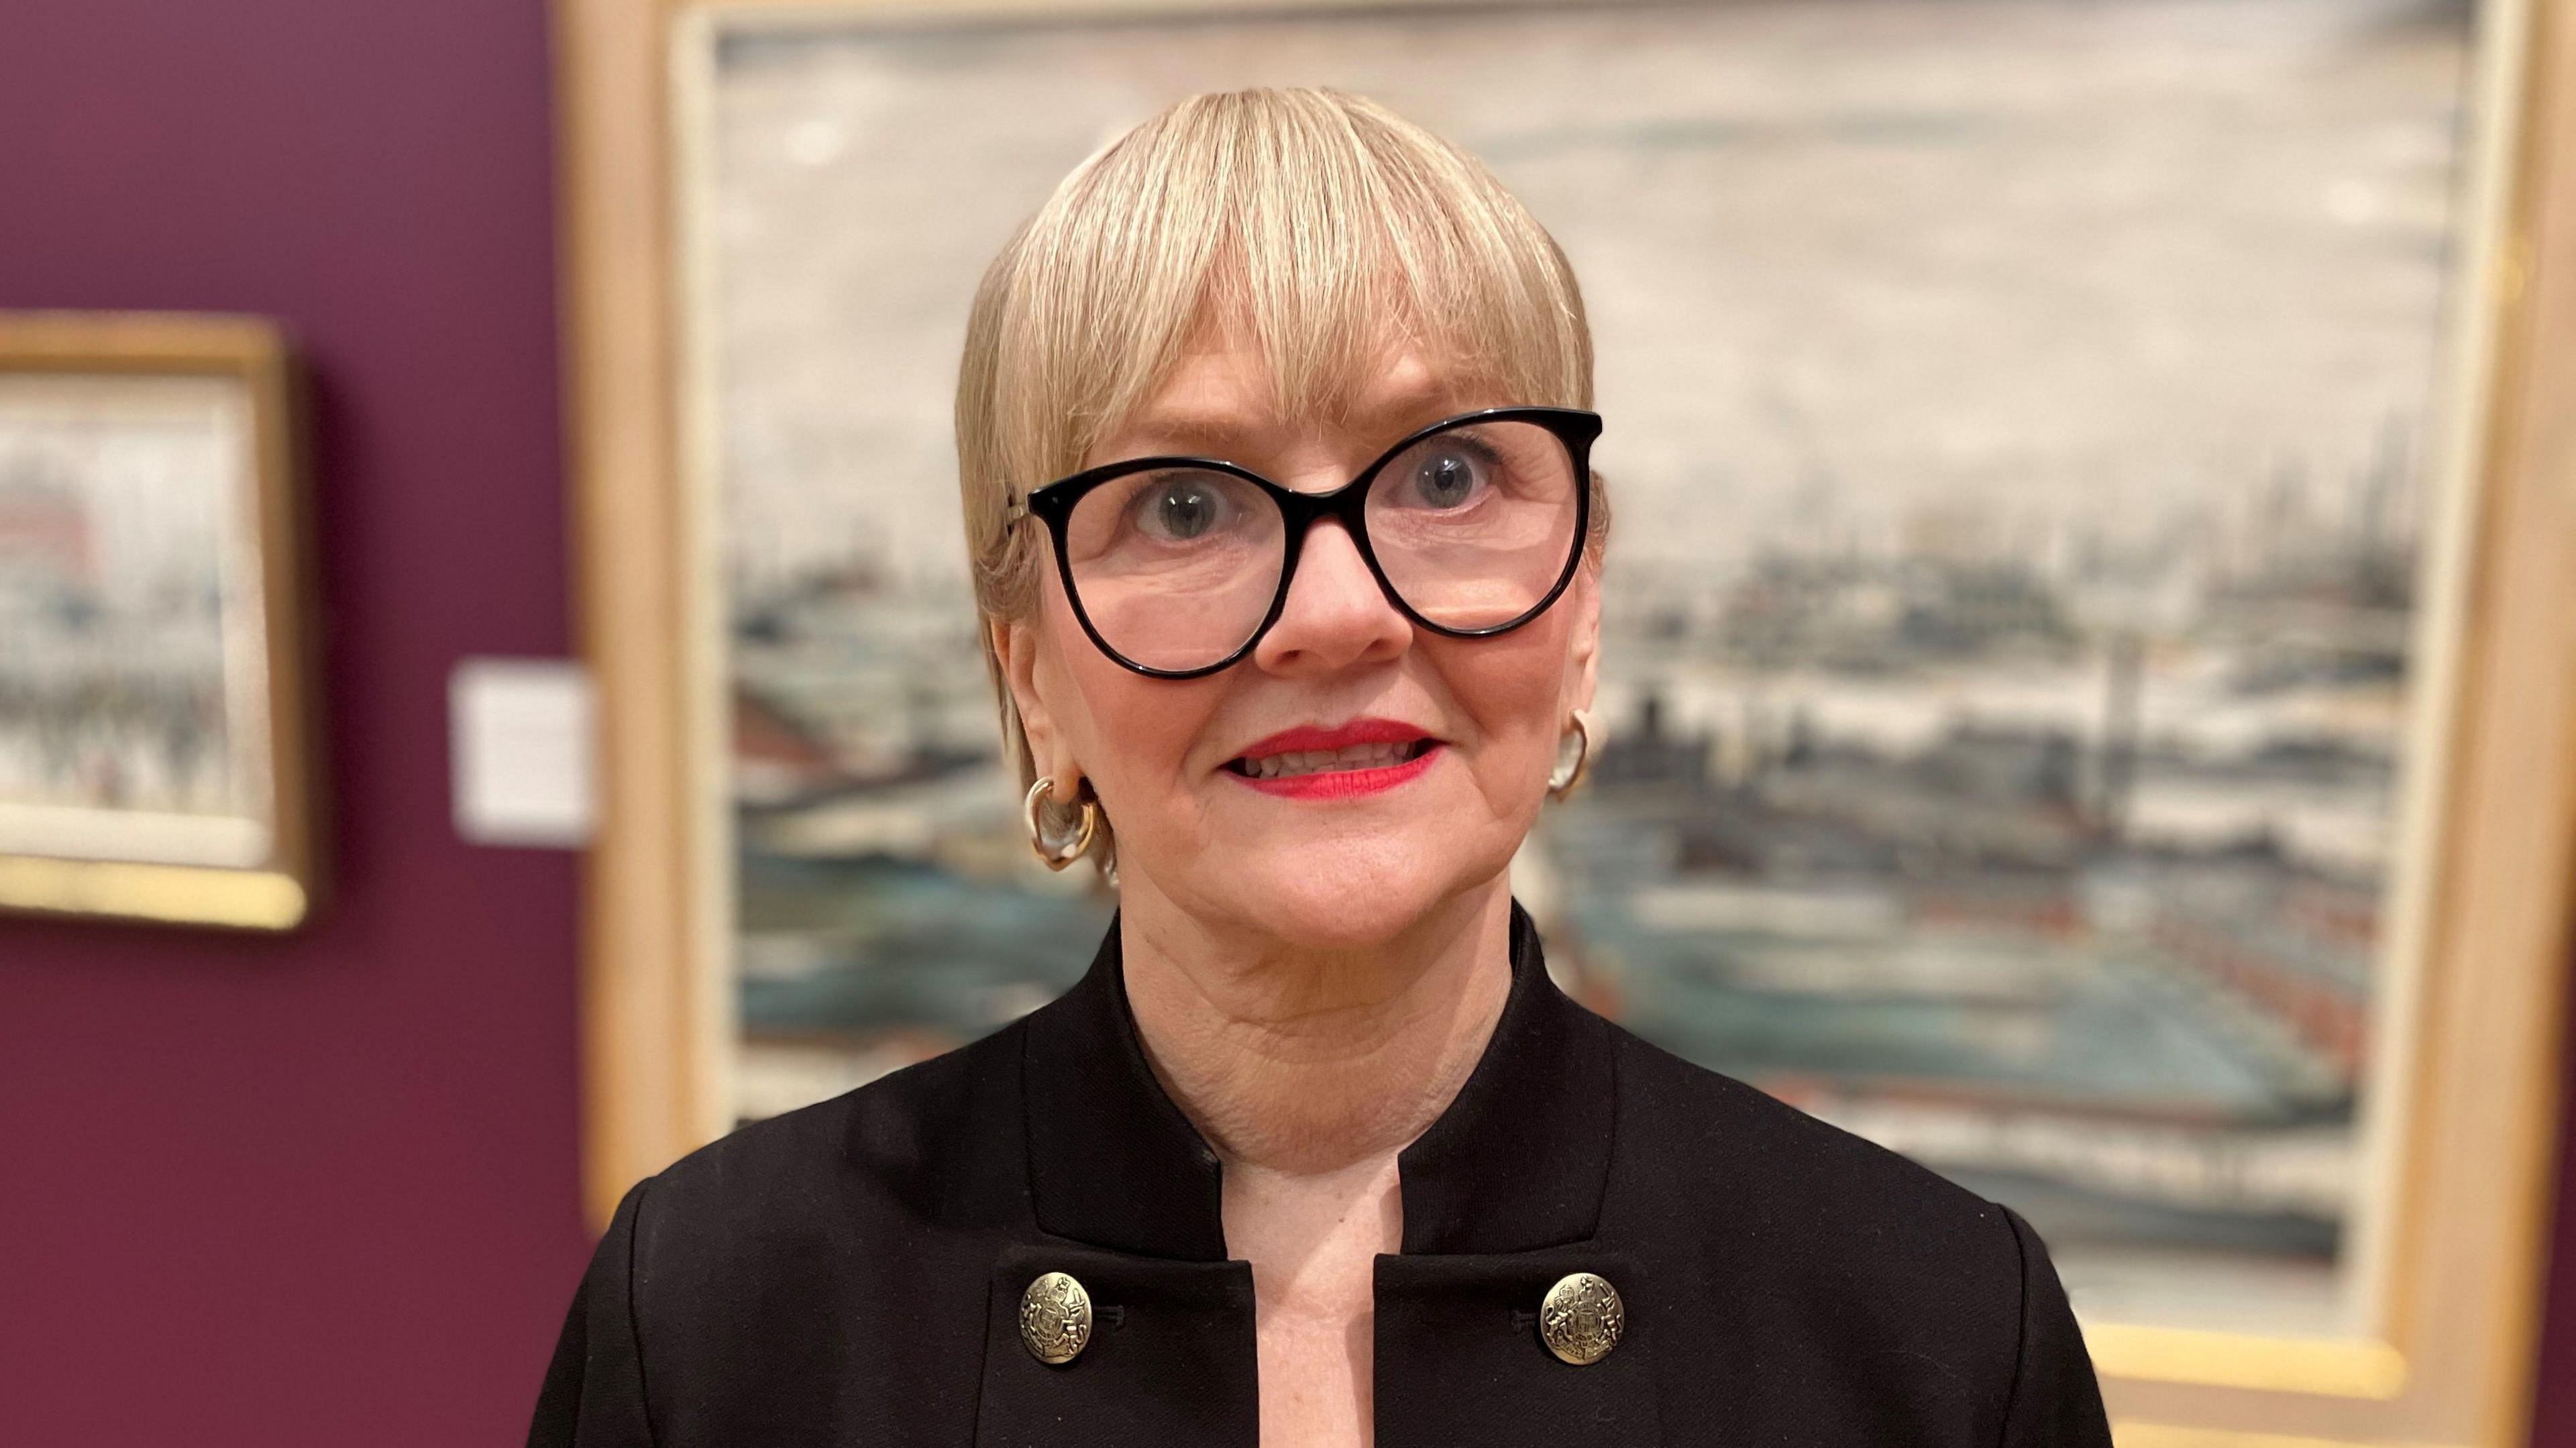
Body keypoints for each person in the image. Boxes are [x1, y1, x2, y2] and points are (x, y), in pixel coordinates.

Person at [529, 87, 2112, 1448]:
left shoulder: (1941, 1340)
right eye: (1184, 506)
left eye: (1448, 472)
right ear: (1032, 676)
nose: (1337, 610)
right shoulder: (721, 1320)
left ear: (1583, 611)